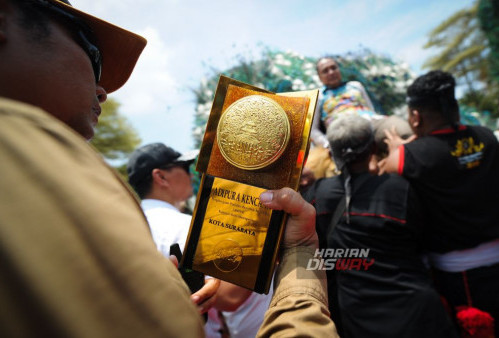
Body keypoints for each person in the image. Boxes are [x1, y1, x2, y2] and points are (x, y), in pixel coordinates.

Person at [0, 1, 337, 336]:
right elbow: (232, 297)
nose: (102, 91)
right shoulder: (27, 159)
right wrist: (300, 254)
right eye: (93, 55)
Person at [303, 114, 457, 337]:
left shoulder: (318, 195)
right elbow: (427, 239)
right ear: (373, 147)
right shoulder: (400, 188)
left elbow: (313, 256)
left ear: (332, 153)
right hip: (418, 314)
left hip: (358, 319)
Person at [381, 70, 499, 336]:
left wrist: (396, 147)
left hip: (461, 276)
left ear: (415, 116)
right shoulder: (487, 137)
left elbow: (384, 169)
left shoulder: (409, 156)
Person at [127, 143, 274, 337]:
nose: (191, 174)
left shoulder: (129, 227)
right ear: (160, 177)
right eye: (185, 167)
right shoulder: (184, 227)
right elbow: (228, 297)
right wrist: (269, 232)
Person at [306, 56, 382, 180]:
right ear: (320, 77)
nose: (331, 72)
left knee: (399, 129)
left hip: (369, 123)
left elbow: (370, 110)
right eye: (325, 71)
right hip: (342, 132)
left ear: (339, 70)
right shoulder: (318, 97)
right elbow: (312, 131)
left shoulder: (356, 85)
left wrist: (382, 120)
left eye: (333, 68)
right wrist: (327, 144)